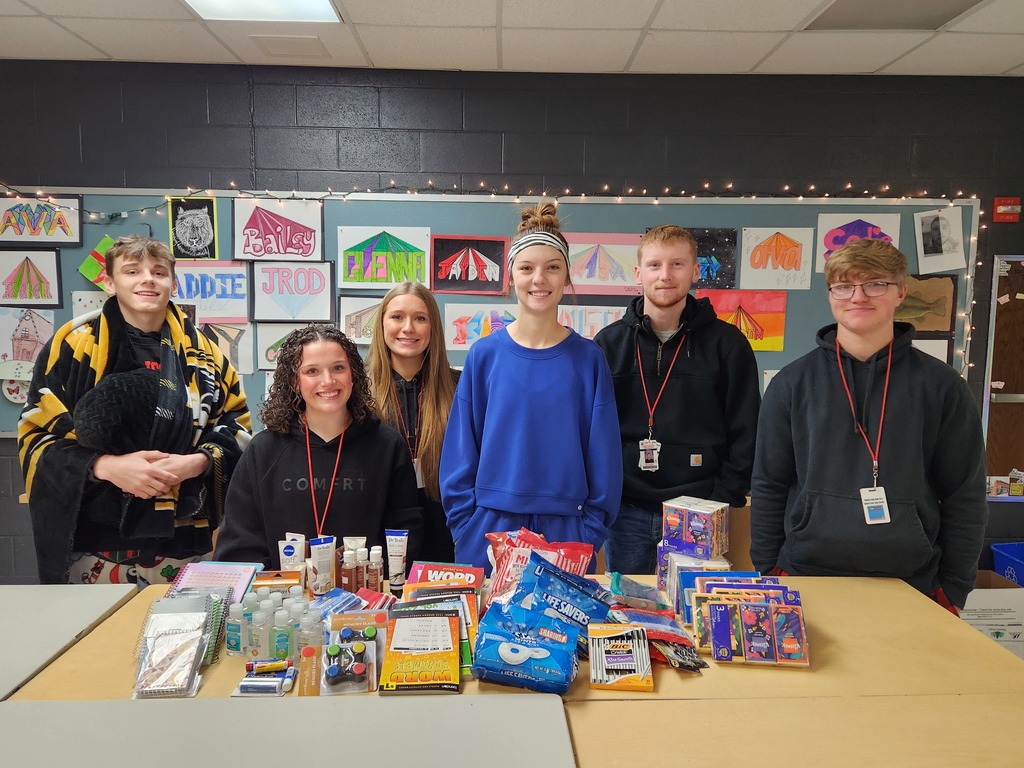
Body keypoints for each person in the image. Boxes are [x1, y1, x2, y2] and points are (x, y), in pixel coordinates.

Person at [750, 238, 987, 612]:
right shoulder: (791, 384)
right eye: (844, 285)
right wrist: (769, 571)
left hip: (913, 585)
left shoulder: (942, 387)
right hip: (805, 579)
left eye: (875, 283)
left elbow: (964, 493)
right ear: (831, 295)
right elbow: (769, 483)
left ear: (900, 292)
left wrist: (954, 588)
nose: (858, 296)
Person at [19, 235, 251, 585]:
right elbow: (37, 432)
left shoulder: (206, 352)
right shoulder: (73, 345)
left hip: (182, 533)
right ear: (110, 283)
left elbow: (236, 426)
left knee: (180, 620)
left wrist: (198, 462)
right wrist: (105, 466)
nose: (147, 279)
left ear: (173, 283)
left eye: (158, 272)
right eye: (132, 271)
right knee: (99, 623)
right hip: (97, 540)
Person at [439, 203, 622, 571]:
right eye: (527, 268)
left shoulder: (588, 359)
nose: (539, 279)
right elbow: (460, 451)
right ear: (510, 277)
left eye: (552, 267)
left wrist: (590, 532)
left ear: (566, 277)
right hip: (488, 530)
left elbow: (604, 457)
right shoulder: (484, 355)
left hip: (568, 533)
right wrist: (466, 526)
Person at [594, 225, 760, 574]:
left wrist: (721, 497)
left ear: (696, 271)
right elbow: (591, 432)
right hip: (627, 511)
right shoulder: (608, 345)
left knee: (695, 604)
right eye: (654, 265)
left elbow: (746, 430)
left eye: (677, 264)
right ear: (638, 273)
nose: (665, 275)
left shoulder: (728, 344)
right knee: (629, 604)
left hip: (701, 509)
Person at [215, 324, 423, 569]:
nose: (328, 381)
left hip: (367, 590)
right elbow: (240, 544)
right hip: (284, 591)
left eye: (338, 368)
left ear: (353, 374)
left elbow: (406, 536)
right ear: (294, 381)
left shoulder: (388, 446)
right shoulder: (263, 450)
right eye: (312, 371)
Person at [367, 282, 460, 563]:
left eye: (420, 318)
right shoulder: (358, 391)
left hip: (446, 526)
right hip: (380, 528)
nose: (408, 328)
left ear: (433, 328)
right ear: (382, 324)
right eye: (397, 317)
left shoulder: (459, 387)